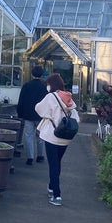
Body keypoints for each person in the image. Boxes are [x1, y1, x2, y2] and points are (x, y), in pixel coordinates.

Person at [34, 73, 80, 206]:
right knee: (57, 163)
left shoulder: (51, 96)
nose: (47, 87)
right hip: (65, 137)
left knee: (53, 164)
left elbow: (38, 108)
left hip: (52, 135)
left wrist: (50, 115)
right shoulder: (68, 97)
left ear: (51, 85)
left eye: (48, 84)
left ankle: (57, 195)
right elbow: (76, 117)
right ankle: (51, 186)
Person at [16, 65, 47, 166]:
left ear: (31, 73)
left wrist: (20, 113)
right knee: (40, 136)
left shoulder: (27, 85)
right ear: (41, 74)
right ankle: (40, 156)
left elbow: (21, 101)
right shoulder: (44, 87)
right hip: (40, 115)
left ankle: (30, 158)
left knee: (28, 136)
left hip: (28, 115)